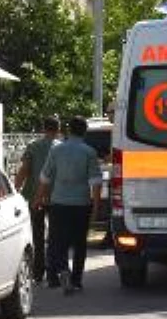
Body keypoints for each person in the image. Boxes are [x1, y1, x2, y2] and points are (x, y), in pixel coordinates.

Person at [33, 116, 102, 294]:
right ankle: (77, 281)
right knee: (80, 243)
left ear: (69, 130)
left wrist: (38, 199)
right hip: (81, 204)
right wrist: (95, 207)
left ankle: (63, 269)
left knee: (58, 242)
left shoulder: (57, 150)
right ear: (84, 131)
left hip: (59, 203)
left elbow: (45, 177)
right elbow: (95, 182)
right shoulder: (89, 152)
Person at [15, 115, 61, 284]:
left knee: (37, 235)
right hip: (57, 197)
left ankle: (38, 272)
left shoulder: (33, 146)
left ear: (43, 129)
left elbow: (24, 170)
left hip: (35, 196)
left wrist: (15, 189)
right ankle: (53, 271)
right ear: (59, 130)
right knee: (56, 236)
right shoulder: (61, 148)